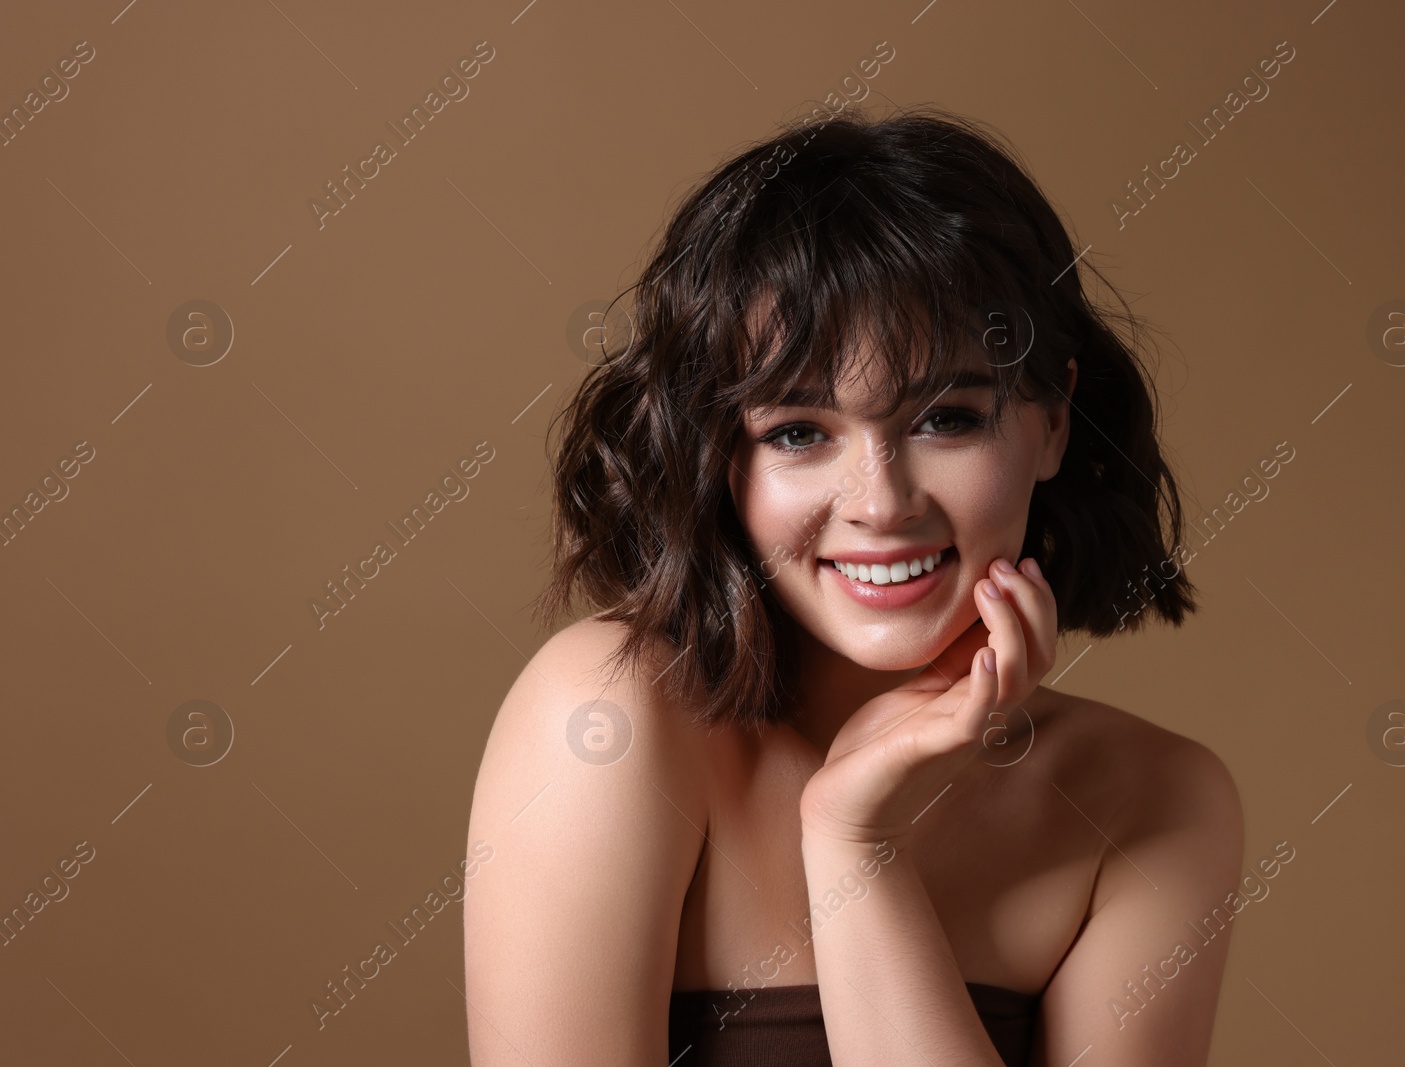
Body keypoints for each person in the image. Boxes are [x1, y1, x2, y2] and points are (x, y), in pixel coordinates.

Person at [464, 106, 1244, 1066]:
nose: (881, 503)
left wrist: (856, 845)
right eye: (798, 432)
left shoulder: (1155, 803)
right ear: (717, 458)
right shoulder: (607, 718)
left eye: (948, 418)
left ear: (1052, 422)